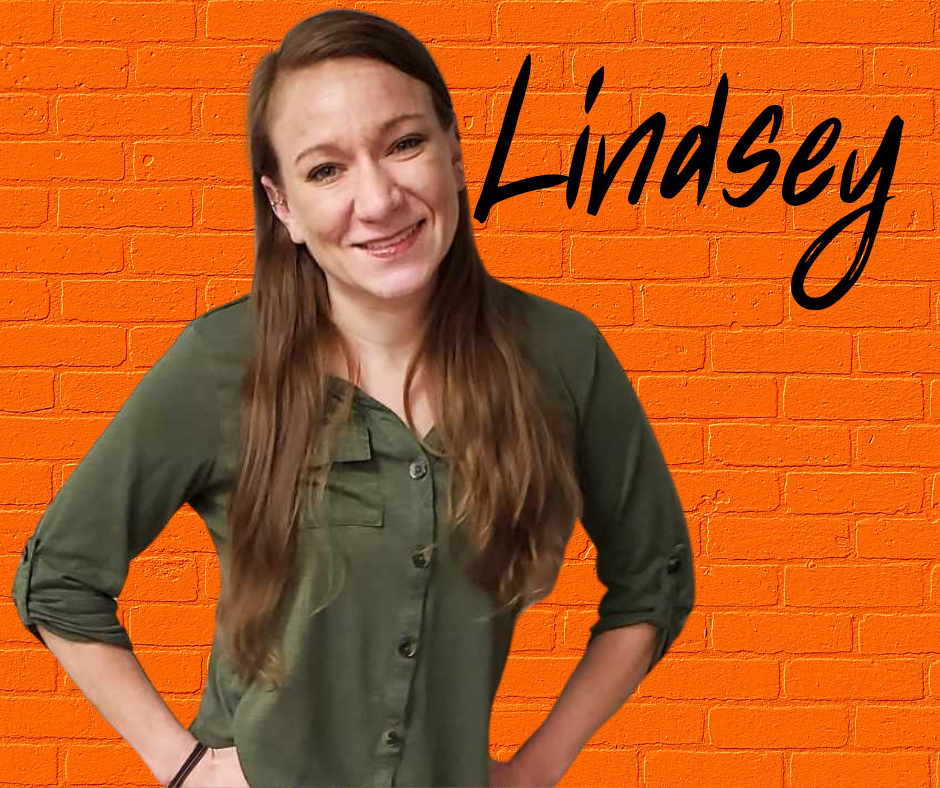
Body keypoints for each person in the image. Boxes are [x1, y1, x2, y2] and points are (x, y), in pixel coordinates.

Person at [10, 8, 695, 788]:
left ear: (456, 154)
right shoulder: (217, 364)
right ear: (283, 207)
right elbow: (59, 578)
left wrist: (540, 767)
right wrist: (185, 768)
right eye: (325, 170)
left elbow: (655, 578)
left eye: (404, 144)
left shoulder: (565, 357)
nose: (377, 199)